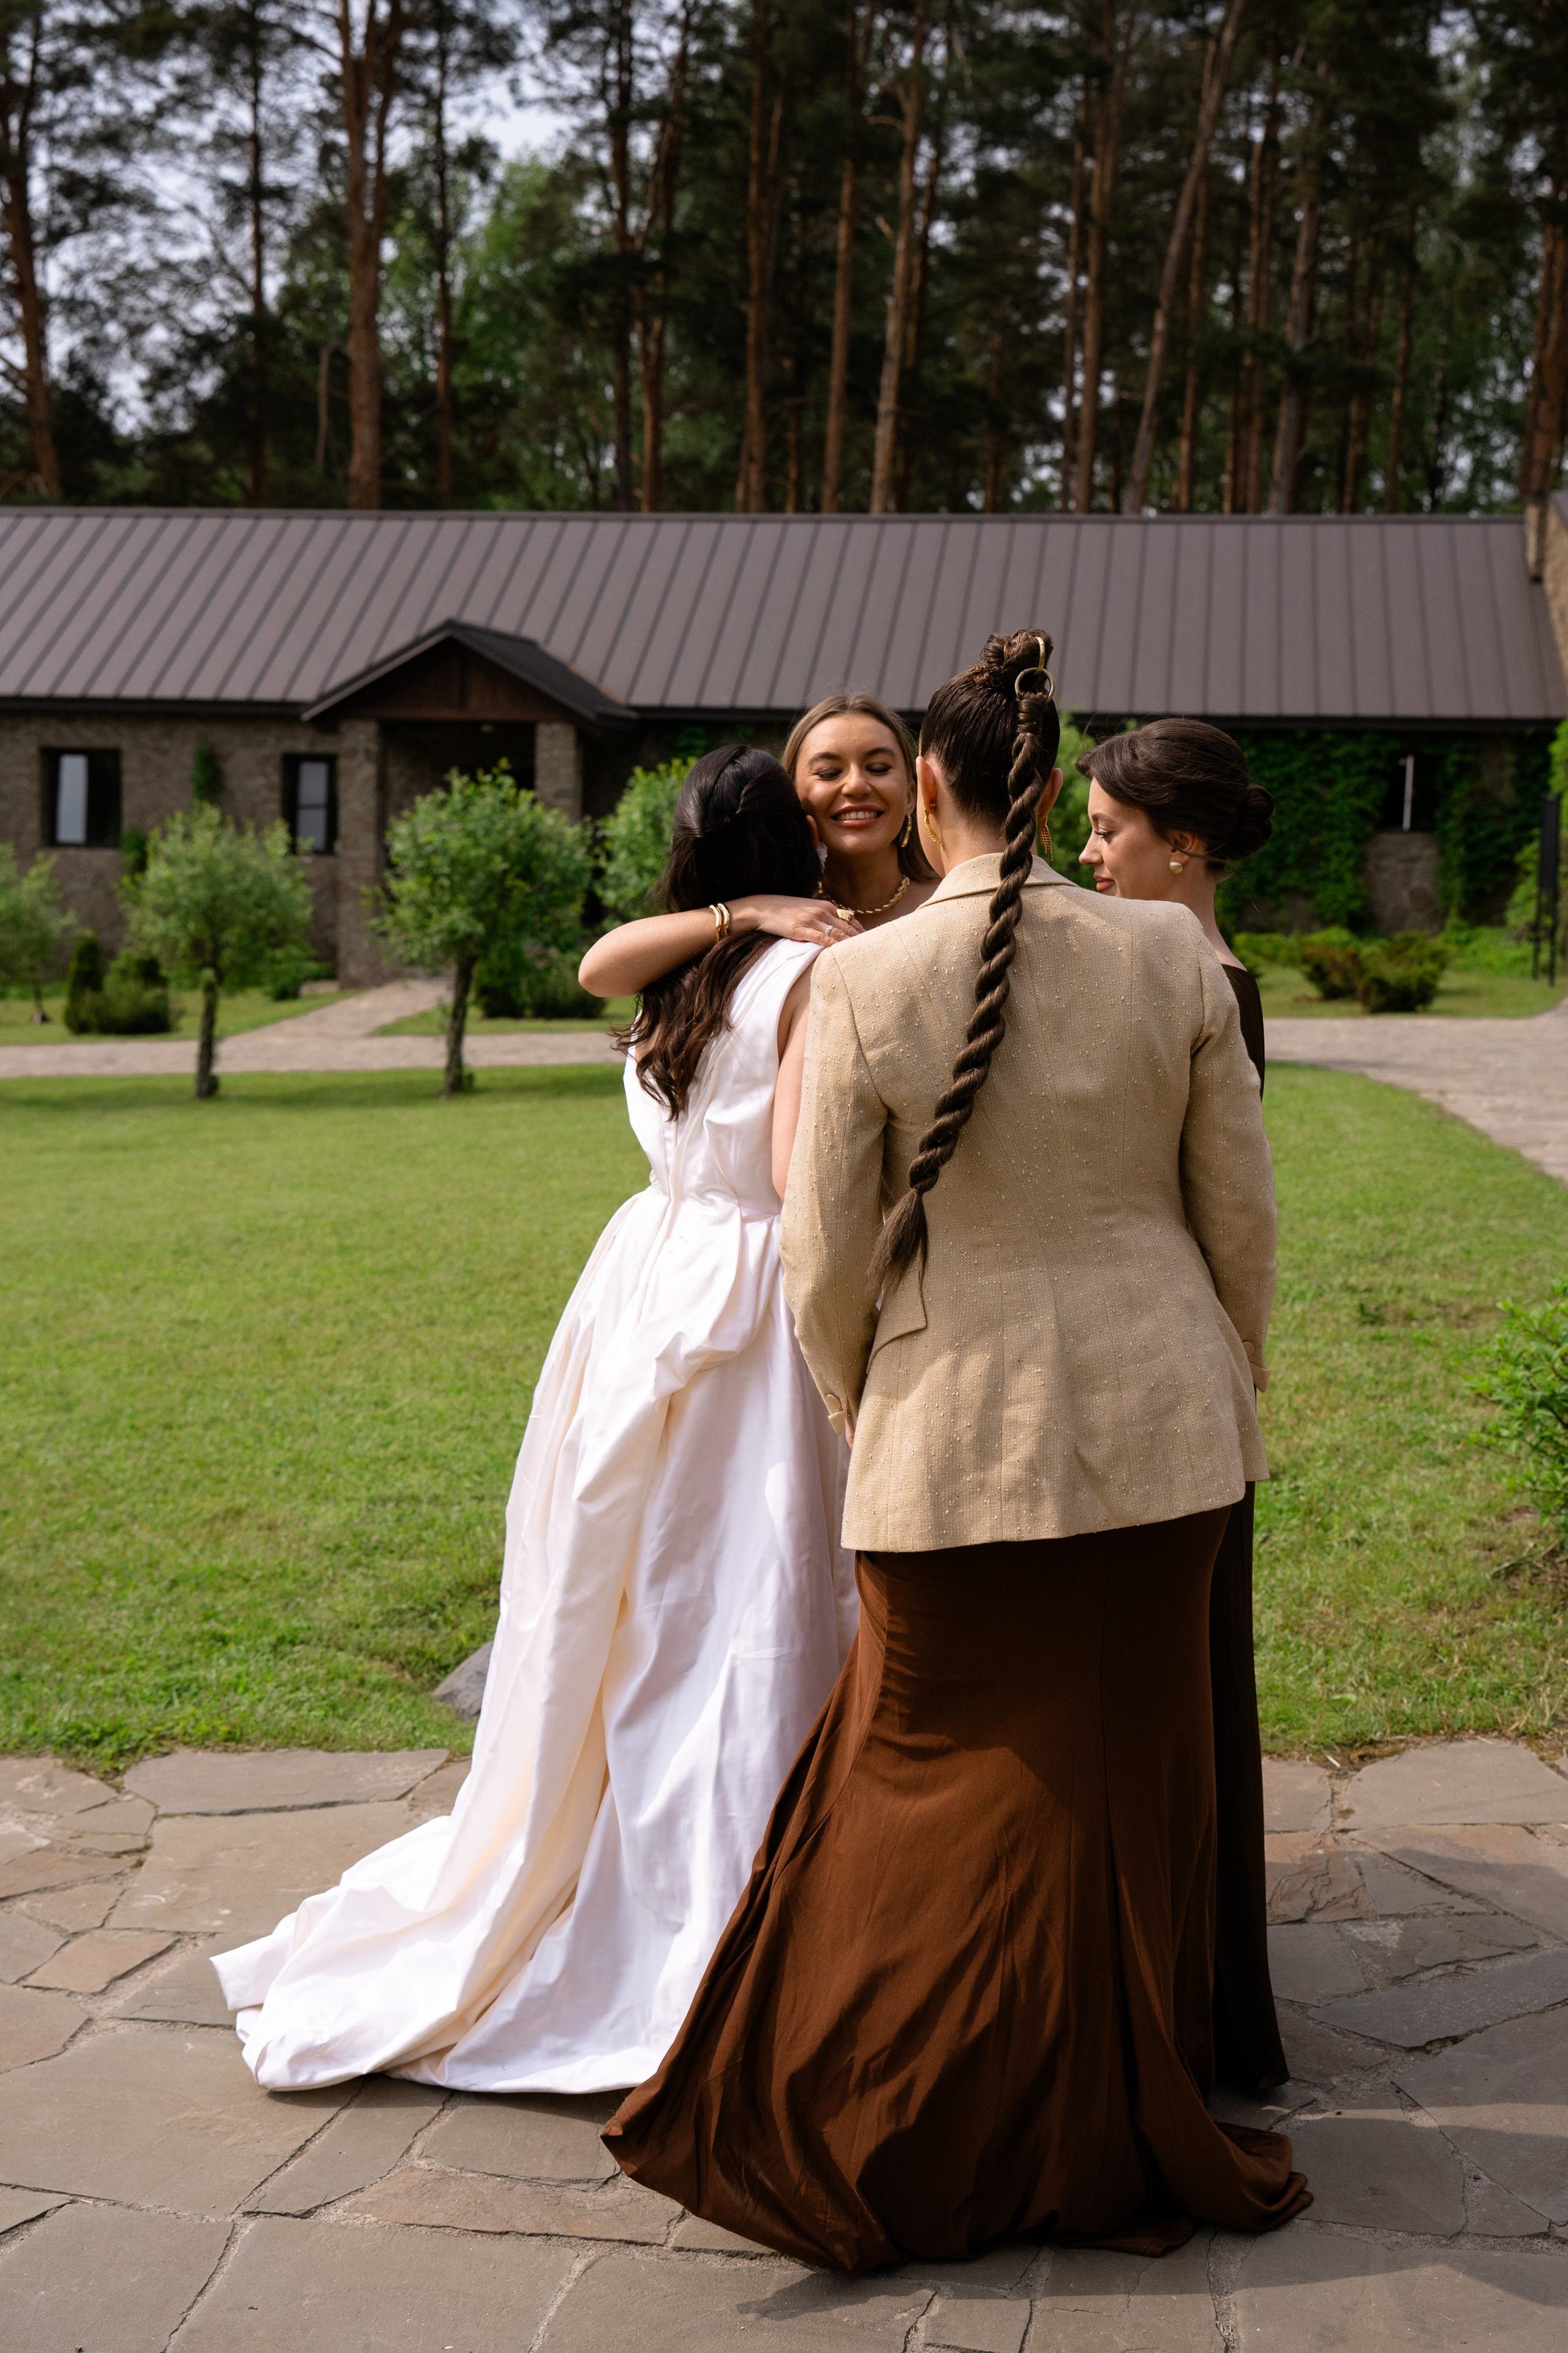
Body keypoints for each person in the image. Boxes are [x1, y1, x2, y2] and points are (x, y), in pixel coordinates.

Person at [606, 632, 1310, 2269]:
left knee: (912, 1784)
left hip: (946, 1442)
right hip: (1171, 1437)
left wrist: (872, 1403)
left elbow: (827, 1257)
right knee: (1126, 1801)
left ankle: (893, 2125)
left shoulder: (859, 977)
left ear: (923, 790)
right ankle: (1106, 2115)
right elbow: (1242, 1224)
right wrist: (1222, 1381)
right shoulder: (1174, 958)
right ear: (1058, 790)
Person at [211, 747, 857, 2094]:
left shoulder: (677, 970)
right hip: (742, 1290)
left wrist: (740, 917)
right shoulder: (803, 971)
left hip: (646, 1279)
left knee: (634, 1591)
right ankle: (731, 1886)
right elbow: (802, 1183)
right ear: (783, 857)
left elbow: (598, 963)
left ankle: (615, 1838)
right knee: (742, 1590)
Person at [1079, 716, 1284, 2092]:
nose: (1087, 852)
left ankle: (1181, 2000)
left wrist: (1231, 1361)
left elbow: (1233, 1212)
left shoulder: (1188, 977)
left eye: (1104, 829)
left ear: (1184, 844)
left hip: (1164, 1372)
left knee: (1173, 1685)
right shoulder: (1179, 965)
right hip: (1176, 1362)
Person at [579, 693, 935, 1004]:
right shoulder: (771, 913)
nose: (856, 785)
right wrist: (752, 911)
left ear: (910, 793)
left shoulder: (949, 898)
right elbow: (598, 973)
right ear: (792, 797)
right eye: (828, 773)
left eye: (878, 767)